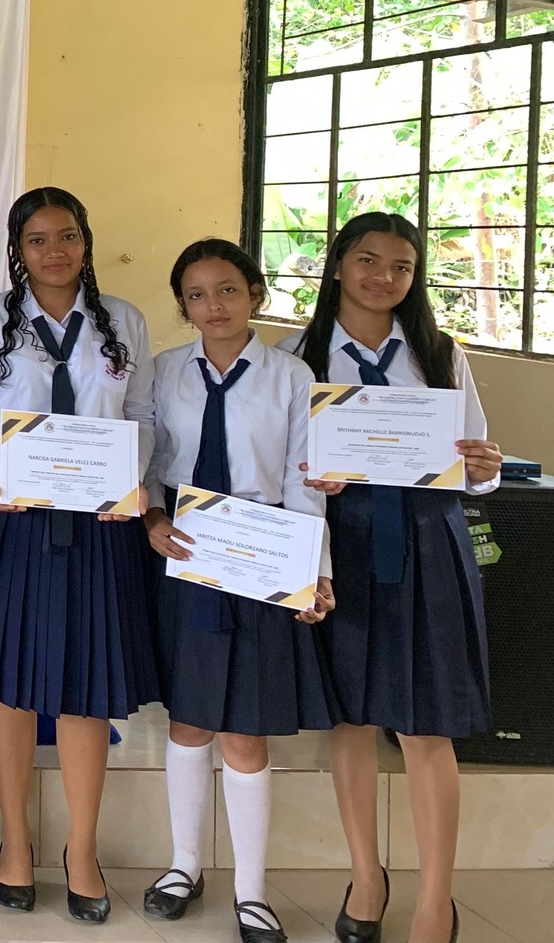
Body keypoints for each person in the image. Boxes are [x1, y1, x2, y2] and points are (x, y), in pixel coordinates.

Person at [282, 213, 502, 943]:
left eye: (401, 266)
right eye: (368, 260)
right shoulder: (299, 356)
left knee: (425, 722)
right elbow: (284, 466)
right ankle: (366, 878)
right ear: (338, 265)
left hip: (428, 541)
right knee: (351, 718)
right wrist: (312, 479)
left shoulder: (439, 352)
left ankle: (437, 899)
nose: (383, 277)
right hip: (340, 545)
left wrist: (484, 467)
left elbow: (474, 464)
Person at [0, 188, 159, 925]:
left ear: (86, 240)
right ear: (17, 250)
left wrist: (131, 476)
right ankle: (15, 841)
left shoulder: (123, 320)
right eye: (37, 240)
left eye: (67, 236)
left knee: (85, 684)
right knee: (10, 682)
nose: (55, 252)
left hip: (100, 525)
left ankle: (82, 849)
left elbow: (142, 415)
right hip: (11, 520)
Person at [142, 239, 336, 943]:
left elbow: (304, 479)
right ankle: (183, 866)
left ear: (254, 292)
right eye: (196, 295)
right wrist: (153, 519)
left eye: (227, 289)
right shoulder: (165, 371)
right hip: (188, 551)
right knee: (189, 721)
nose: (214, 306)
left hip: (262, 556)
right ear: (183, 305)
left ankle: (251, 892)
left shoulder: (291, 375)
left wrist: (313, 571)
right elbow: (151, 461)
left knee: (245, 731)